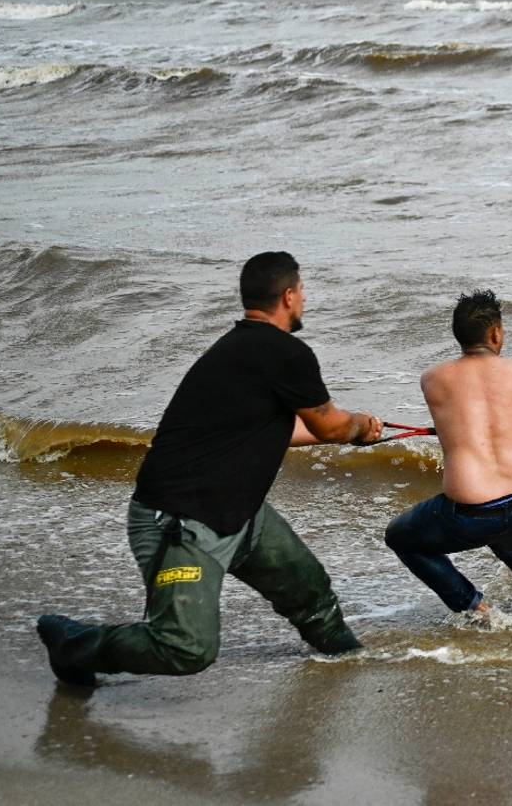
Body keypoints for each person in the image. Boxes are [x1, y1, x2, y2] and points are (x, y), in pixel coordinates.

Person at [35, 252, 385, 687]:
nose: (305, 301)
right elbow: (329, 424)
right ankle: (75, 644)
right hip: (181, 519)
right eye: (303, 292)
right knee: (185, 647)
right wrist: (359, 427)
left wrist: (345, 430)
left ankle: (352, 665)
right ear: (290, 295)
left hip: (238, 513)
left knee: (310, 592)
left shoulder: (237, 349)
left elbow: (276, 429)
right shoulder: (284, 353)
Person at [384, 290, 512, 621]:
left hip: (469, 515)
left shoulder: (433, 380)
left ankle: (474, 607)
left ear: (458, 334)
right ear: (495, 333)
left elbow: (466, 420)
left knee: (401, 538)